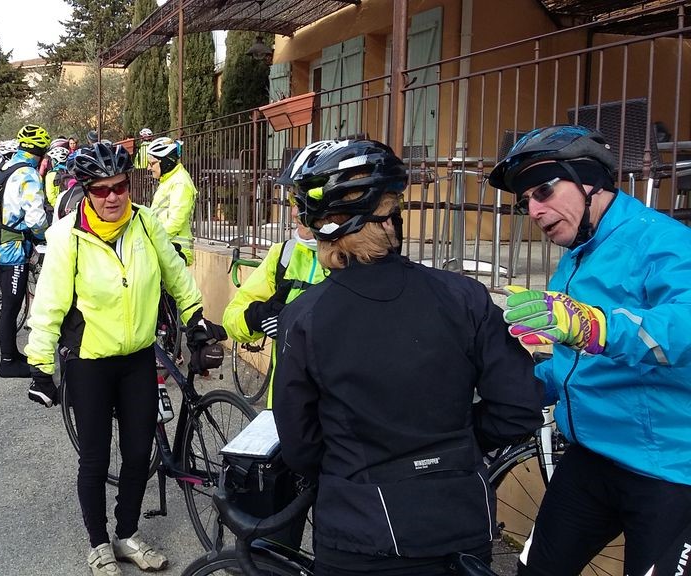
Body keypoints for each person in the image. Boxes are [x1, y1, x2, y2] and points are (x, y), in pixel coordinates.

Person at [272, 138, 543, 576]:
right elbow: (518, 409)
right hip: (459, 524)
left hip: (361, 532)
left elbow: (300, 446)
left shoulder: (304, 317)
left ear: (324, 227)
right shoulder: (465, 296)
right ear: (391, 215)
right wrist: (454, 446)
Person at [488, 125, 691, 576]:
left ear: (590, 181)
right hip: (591, 459)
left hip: (668, 471)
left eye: (544, 190)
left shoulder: (663, 241)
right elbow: (576, 364)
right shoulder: (576, 256)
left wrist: (592, 325)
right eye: (525, 202)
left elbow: (683, 328)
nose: (534, 210)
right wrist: (510, 384)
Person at [24, 142, 225, 576]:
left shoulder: (146, 223)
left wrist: (194, 318)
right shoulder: (68, 236)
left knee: (137, 455)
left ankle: (127, 534)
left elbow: (176, 275)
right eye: (101, 190)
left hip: (137, 357)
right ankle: (98, 543)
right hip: (89, 361)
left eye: (120, 186)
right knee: (95, 458)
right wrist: (40, 367)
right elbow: (48, 305)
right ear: (86, 191)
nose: (113, 196)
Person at [222, 141, 335, 408]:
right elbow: (232, 316)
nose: (294, 212)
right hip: (285, 413)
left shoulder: (357, 261)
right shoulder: (283, 254)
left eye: (302, 202)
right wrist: (257, 316)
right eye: (292, 201)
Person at [0, 124, 51, 378]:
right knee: (11, 307)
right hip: (13, 250)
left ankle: (13, 354)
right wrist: (46, 237)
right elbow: (36, 218)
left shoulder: (4, 165)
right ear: (41, 152)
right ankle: (7, 362)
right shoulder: (28, 174)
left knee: (9, 305)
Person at [146, 136, 196, 265]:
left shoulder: (180, 183)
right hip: (166, 246)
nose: (148, 168)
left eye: (152, 163)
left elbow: (176, 221)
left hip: (177, 249)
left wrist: (153, 240)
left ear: (165, 161)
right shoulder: (168, 180)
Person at [43, 144, 70, 210]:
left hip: (56, 208)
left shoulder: (51, 175)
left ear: (55, 161)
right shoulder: (71, 172)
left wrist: (59, 209)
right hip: (70, 207)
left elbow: (50, 196)